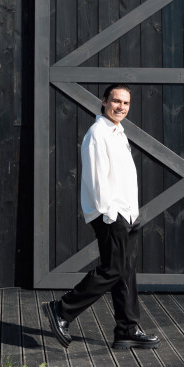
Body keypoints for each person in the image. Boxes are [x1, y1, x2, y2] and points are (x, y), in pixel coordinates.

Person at [44, 83, 159, 350]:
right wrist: (109, 214)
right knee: (114, 268)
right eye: (116, 101)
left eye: (126, 103)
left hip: (126, 214)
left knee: (125, 271)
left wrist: (131, 213)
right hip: (110, 214)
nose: (121, 107)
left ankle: (127, 330)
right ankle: (62, 309)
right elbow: (96, 179)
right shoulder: (98, 133)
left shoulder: (119, 133)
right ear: (104, 101)